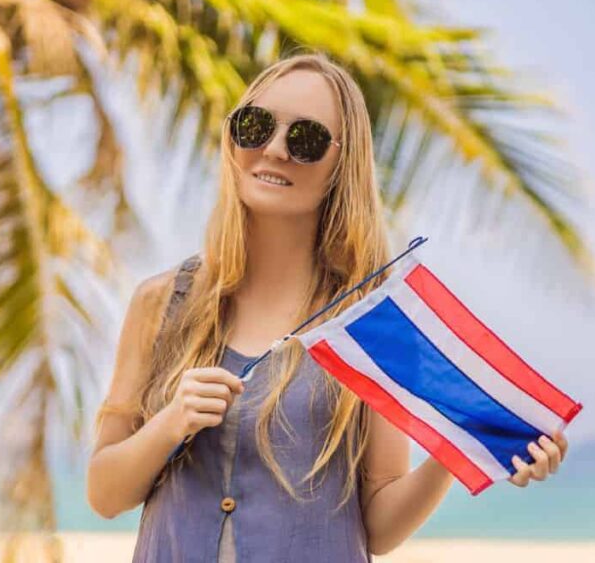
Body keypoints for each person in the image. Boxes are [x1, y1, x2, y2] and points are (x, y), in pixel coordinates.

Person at [86, 52, 569, 561]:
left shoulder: (375, 323)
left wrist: (462, 446)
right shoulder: (160, 304)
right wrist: (171, 422)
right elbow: (104, 494)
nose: (274, 149)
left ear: (342, 165)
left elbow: (379, 527)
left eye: (307, 139)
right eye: (256, 125)